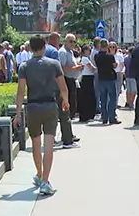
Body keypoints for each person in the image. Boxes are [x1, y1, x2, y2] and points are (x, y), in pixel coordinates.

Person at [15, 35, 70, 196]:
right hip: (50, 106)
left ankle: (39, 173)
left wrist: (18, 113)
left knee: (36, 143)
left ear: (30, 48)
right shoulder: (54, 64)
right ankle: (46, 181)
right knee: (49, 145)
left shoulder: (24, 66)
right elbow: (63, 87)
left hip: (32, 106)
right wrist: (65, 102)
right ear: (44, 46)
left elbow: (20, 92)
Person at [95, 42, 121, 125]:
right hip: (110, 78)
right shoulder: (110, 56)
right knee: (112, 98)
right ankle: (112, 117)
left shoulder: (97, 56)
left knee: (103, 99)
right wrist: (116, 63)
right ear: (107, 46)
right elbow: (114, 66)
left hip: (101, 78)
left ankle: (104, 117)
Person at [77, 45, 97, 122]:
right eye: (88, 50)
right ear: (85, 51)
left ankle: (86, 115)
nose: (90, 51)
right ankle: (87, 115)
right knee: (88, 97)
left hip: (86, 78)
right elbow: (92, 68)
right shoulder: (85, 59)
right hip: (87, 78)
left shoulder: (84, 58)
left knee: (86, 97)